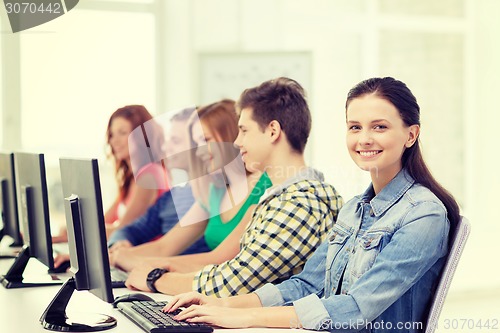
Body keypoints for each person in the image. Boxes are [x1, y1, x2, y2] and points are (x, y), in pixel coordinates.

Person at [162, 77, 461, 332]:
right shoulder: (354, 209)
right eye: (355, 127)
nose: (364, 138)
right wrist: (221, 304)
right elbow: (305, 285)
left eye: (379, 127)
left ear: (411, 134)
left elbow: (355, 308)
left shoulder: (424, 214)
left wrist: (240, 316)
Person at [124, 77, 343, 297]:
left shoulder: (299, 203)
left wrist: (156, 279)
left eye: (245, 131)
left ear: (273, 131)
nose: (237, 142)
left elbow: (232, 282)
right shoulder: (276, 198)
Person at [109, 99, 273, 273]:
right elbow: (164, 247)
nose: (198, 150)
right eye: (196, 143)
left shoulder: (264, 188)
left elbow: (217, 259)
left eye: (205, 139)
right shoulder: (215, 191)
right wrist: (116, 256)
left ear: (230, 135)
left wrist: (130, 260)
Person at [52, 104, 168, 244]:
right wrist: (70, 230)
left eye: (123, 133)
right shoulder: (131, 178)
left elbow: (122, 230)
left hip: (143, 258)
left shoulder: (149, 175)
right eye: (112, 134)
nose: (114, 141)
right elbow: (102, 222)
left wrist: (64, 236)